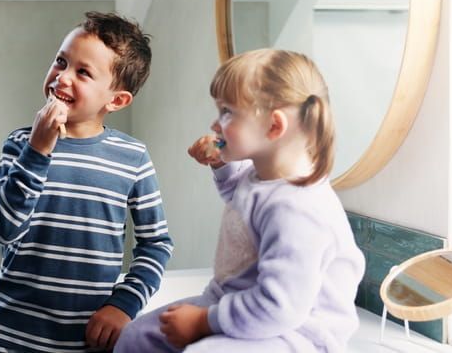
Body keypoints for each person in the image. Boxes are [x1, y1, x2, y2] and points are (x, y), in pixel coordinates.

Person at [115, 49, 365, 353]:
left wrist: (203, 322)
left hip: (296, 331)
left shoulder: (298, 209)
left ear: (274, 126)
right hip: (234, 302)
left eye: (227, 112)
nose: (215, 124)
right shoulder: (263, 176)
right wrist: (221, 162)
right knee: (137, 337)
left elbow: (279, 307)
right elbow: (241, 199)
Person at [0, 12, 174, 352]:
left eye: (83, 72)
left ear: (116, 100)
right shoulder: (20, 144)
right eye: (61, 61)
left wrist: (124, 304)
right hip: (11, 337)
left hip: (86, 340)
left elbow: (156, 243)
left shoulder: (132, 157)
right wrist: (37, 151)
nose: (62, 77)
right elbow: (3, 230)